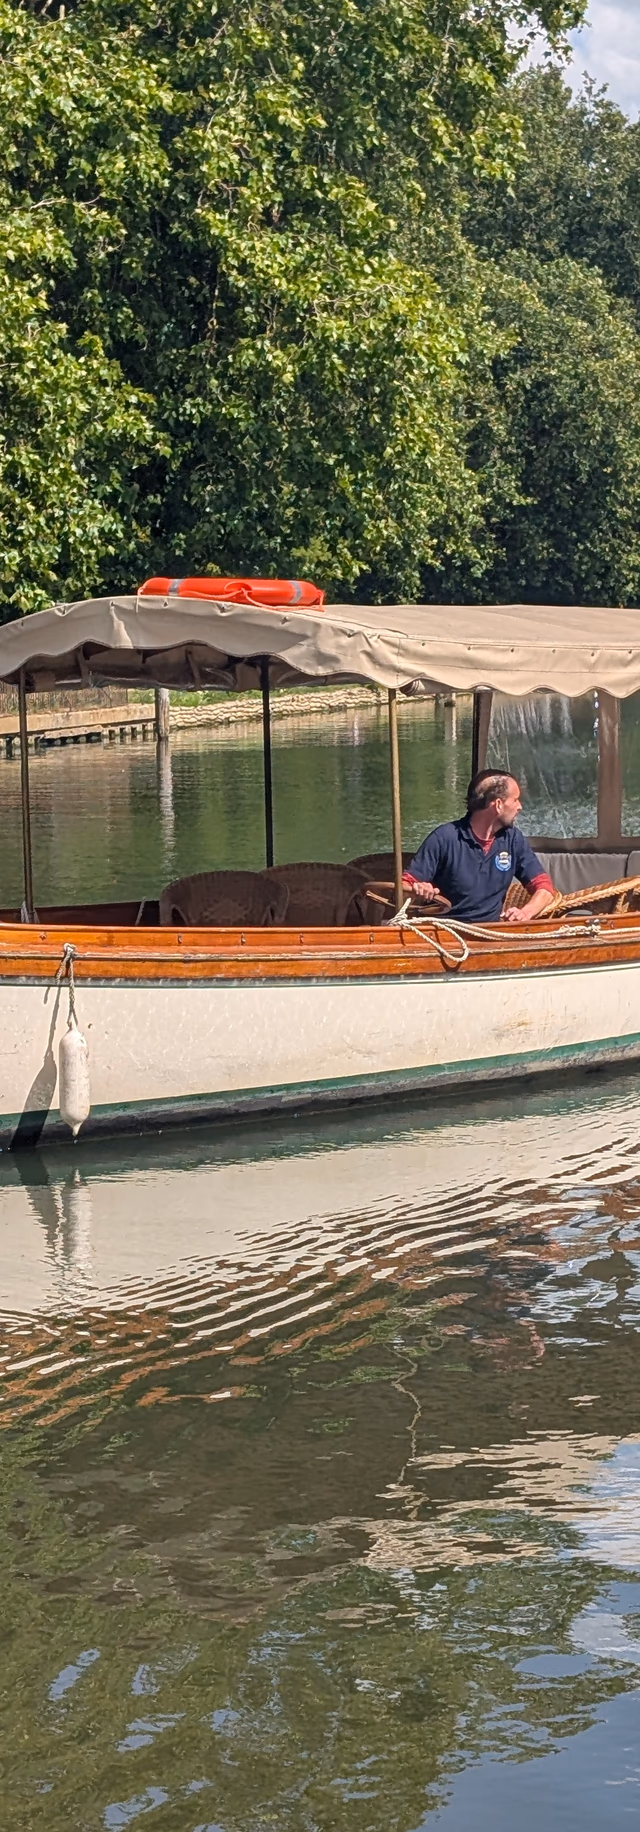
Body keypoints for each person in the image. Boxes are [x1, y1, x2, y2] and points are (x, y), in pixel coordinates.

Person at [403, 768, 554, 925]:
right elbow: (403, 888)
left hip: (490, 933)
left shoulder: (513, 839)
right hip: (442, 932)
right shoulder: (444, 838)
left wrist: (525, 913)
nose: (520, 806)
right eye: (515, 800)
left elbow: (544, 887)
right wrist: (419, 889)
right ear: (498, 805)